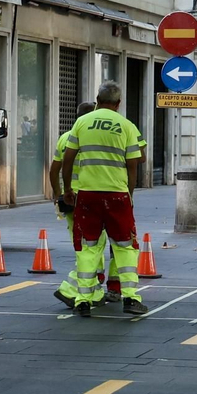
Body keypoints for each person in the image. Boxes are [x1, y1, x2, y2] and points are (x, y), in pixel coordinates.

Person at [57, 82, 148, 317]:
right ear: (119, 104)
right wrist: (130, 193)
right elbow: (133, 165)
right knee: (126, 246)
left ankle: (83, 300)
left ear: (97, 99)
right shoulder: (127, 126)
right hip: (117, 195)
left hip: (87, 195)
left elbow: (67, 160)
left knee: (87, 246)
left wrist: (67, 188)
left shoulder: (82, 123)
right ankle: (131, 298)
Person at [50, 101, 115, 300]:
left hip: (69, 202)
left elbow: (54, 170)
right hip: (90, 198)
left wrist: (57, 194)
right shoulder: (95, 139)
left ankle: (93, 291)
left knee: (83, 245)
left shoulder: (64, 138)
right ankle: (69, 289)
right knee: (92, 247)